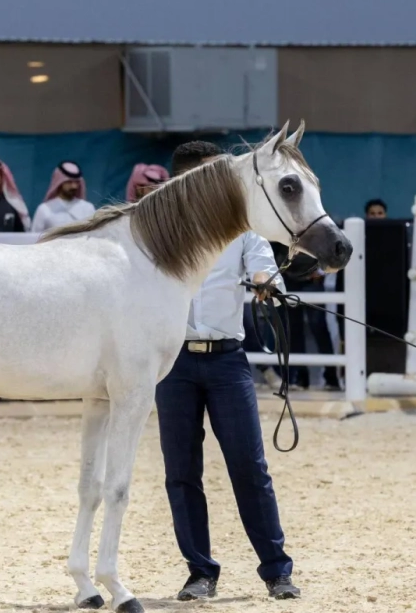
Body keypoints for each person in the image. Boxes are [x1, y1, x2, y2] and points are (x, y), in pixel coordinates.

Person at [155, 140, 300, 602]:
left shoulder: (243, 230)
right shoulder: (155, 230)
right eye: (211, 173)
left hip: (226, 360)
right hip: (171, 361)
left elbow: (264, 269)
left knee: (249, 467)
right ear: (184, 180)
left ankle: (277, 571)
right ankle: (200, 571)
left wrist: (267, 285)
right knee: (181, 471)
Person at [30, 161, 95, 233]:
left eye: (76, 182)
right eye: (69, 182)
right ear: (59, 182)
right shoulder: (44, 209)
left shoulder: (88, 208)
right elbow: (34, 238)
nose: (74, 186)